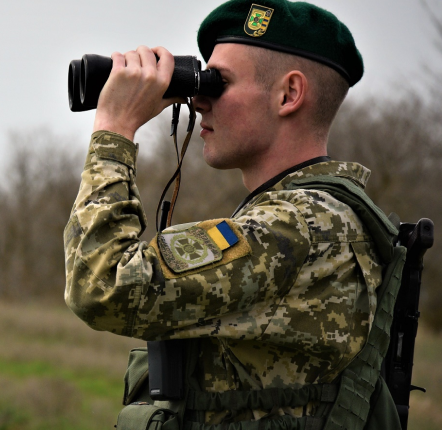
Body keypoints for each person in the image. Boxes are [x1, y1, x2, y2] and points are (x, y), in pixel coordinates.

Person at [63, 0, 401, 426]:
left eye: (219, 82)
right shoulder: (310, 216)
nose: (200, 99)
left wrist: (114, 129)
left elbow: (102, 285)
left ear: (289, 94)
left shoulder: (300, 226)